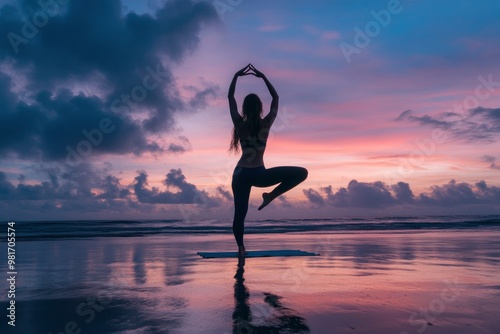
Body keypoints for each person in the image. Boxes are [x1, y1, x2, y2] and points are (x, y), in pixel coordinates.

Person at [228, 63, 308, 257]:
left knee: (240, 214)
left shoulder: (239, 124)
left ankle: (240, 248)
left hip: (240, 174)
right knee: (302, 173)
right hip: (259, 174)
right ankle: (271, 195)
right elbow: (276, 98)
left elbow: (230, 97)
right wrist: (263, 77)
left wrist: (236, 76)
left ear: (245, 109)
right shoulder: (265, 124)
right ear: (260, 108)